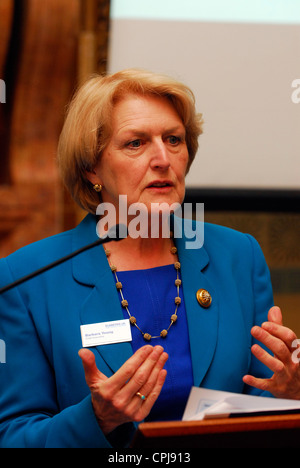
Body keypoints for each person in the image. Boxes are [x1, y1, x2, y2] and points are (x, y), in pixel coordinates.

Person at [0, 69, 299, 448]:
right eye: (136, 143)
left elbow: (259, 403)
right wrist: (97, 419)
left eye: (174, 139)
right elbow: (13, 436)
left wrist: (290, 395)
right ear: (92, 167)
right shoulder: (27, 278)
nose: (162, 159)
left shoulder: (238, 256)